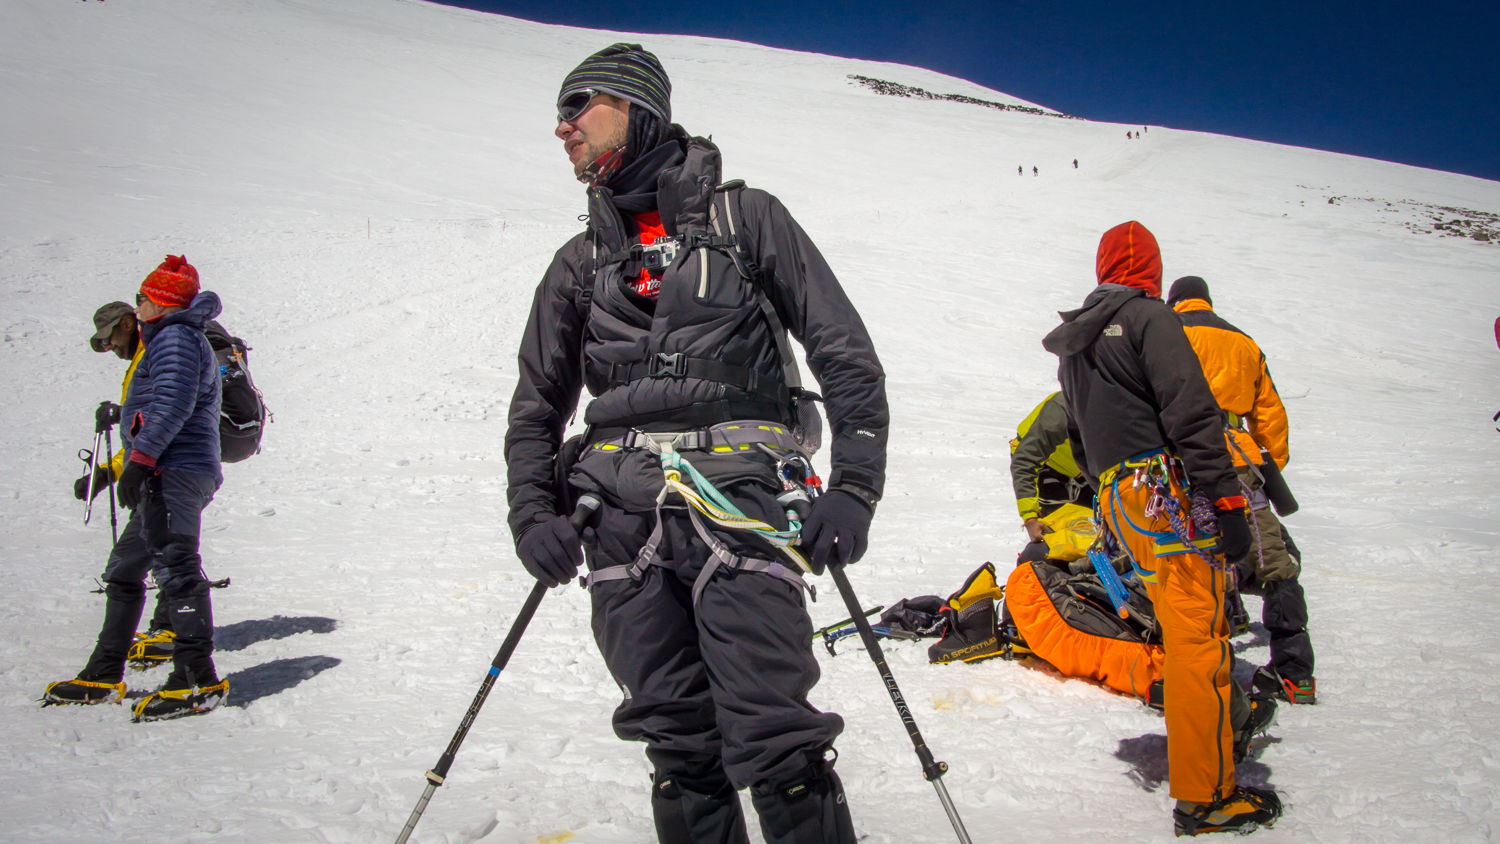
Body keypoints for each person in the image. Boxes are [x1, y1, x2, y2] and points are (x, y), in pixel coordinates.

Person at [506, 44, 887, 844]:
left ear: (637, 109)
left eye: (579, 105)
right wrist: (530, 513)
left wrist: (854, 488)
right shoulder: (578, 265)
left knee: (775, 740)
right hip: (617, 522)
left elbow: (842, 351)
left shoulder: (747, 220)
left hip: (740, 503)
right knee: (677, 747)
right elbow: (536, 409)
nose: (562, 127)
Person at [1042, 222, 1281, 836]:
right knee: (1199, 638)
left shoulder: (1078, 341)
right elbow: (1190, 408)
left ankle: (1207, 765)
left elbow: (1076, 437)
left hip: (1121, 501)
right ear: (1150, 268)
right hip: (1166, 496)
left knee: (1182, 635)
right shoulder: (1151, 317)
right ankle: (1207, 795)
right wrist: (1226, 501)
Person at [44, 256, 229, 722]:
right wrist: (119, 467)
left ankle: (196, 681)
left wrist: (140, 461)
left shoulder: (178, 338)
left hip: (175, 471)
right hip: (160, 471)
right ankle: (104, 673)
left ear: (160, 302)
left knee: (177, 568)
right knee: (126, 569)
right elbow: (151, 411)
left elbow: (170, 404)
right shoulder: (167, 338)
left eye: (143, 296)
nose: (139, 302)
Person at [1167, 275, 1315, 704]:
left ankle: (1203, 664)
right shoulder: (1244, 342)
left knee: (1187, 555)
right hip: (1239, 458)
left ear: (1174, 302)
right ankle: (1295, 671)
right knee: (1274, 563)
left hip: (1181, 457)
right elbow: (1269, 412)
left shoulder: (1167, 333)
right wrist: (1266, 462)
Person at [72, 302, 179, 668]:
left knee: (131, 564)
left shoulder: (155, 355)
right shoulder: (144, 359)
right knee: (166, 554)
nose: (109, 347)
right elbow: (140, 432)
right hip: (168, 473)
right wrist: (107, 472)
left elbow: (160, 422)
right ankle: (169, 631)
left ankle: (109, 669)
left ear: (130, 323)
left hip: (166, 475)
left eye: (110, 338)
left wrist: (129, 470)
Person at [1009, 391, 1090, 560]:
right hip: (1044, 465)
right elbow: (1025, 461)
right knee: (1059, 537)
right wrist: (1030, 518)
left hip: (1082, 468)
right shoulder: (1063, 408)